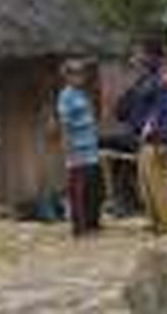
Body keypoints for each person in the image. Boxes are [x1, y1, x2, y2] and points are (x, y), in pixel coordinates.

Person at [116, 34, 167, 235]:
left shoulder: (163, 79)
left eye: (139, 53)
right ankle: (156, 222)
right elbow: (124, 109)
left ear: (151, 56)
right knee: (146, 187)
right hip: (141, 139)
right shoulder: (143, 80)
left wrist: (163, 139)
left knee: (160, 186)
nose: (136, 58)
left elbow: (166, 110)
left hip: (156, 139)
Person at [56, 59, 103, 237]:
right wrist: (69, 150)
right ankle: (79, 228)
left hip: (90, 147)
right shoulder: (66, 96)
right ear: (67, 76)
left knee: (94, 188)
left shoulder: (82, 94)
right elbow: (65, 124)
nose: (79, 77)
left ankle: (93, 223)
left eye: (81, 73)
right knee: (78, 190)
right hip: (77, 149)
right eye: (75, 73)